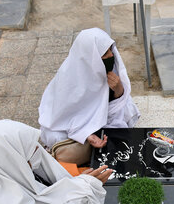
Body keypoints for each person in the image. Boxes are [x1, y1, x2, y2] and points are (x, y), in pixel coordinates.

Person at [38, 27, 140, 166]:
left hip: (102, 121)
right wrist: (86, 134)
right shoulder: (69, 79)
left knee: (128, 110)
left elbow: (118, 105)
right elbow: (62, 118)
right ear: (90, 58)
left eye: (111, 50)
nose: (111, 56)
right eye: (105, 54)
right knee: (54, 137)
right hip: (74, 127)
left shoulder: (109, 69)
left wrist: (118, 90)